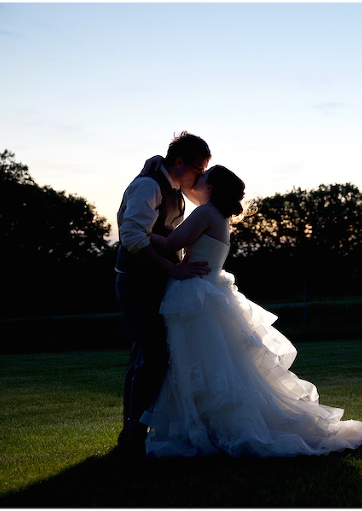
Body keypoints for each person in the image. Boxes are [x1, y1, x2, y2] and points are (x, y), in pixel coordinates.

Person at [139, 165, 362, 457]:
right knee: (213, 367)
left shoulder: (205, 213)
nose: (196, 181)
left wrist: (138, 229)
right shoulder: (218, 215)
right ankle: (206, 428)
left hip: (196, 297)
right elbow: (193, 196)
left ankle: (206, 430)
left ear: (211, 188)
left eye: (202, 177)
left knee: (199, 366)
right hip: (207, 293)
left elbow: (171, 243)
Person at [114, 131, 212, 459]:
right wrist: (174, 270)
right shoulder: (148, 185)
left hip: (157, 283)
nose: (200, 176)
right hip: (137, 283)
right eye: (198, 169)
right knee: (153, 356)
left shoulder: (175, 192)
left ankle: (132, 437)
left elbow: (166, 237)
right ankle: (133, 440)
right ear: (180, 162)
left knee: (145, 355)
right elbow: (131, 237)